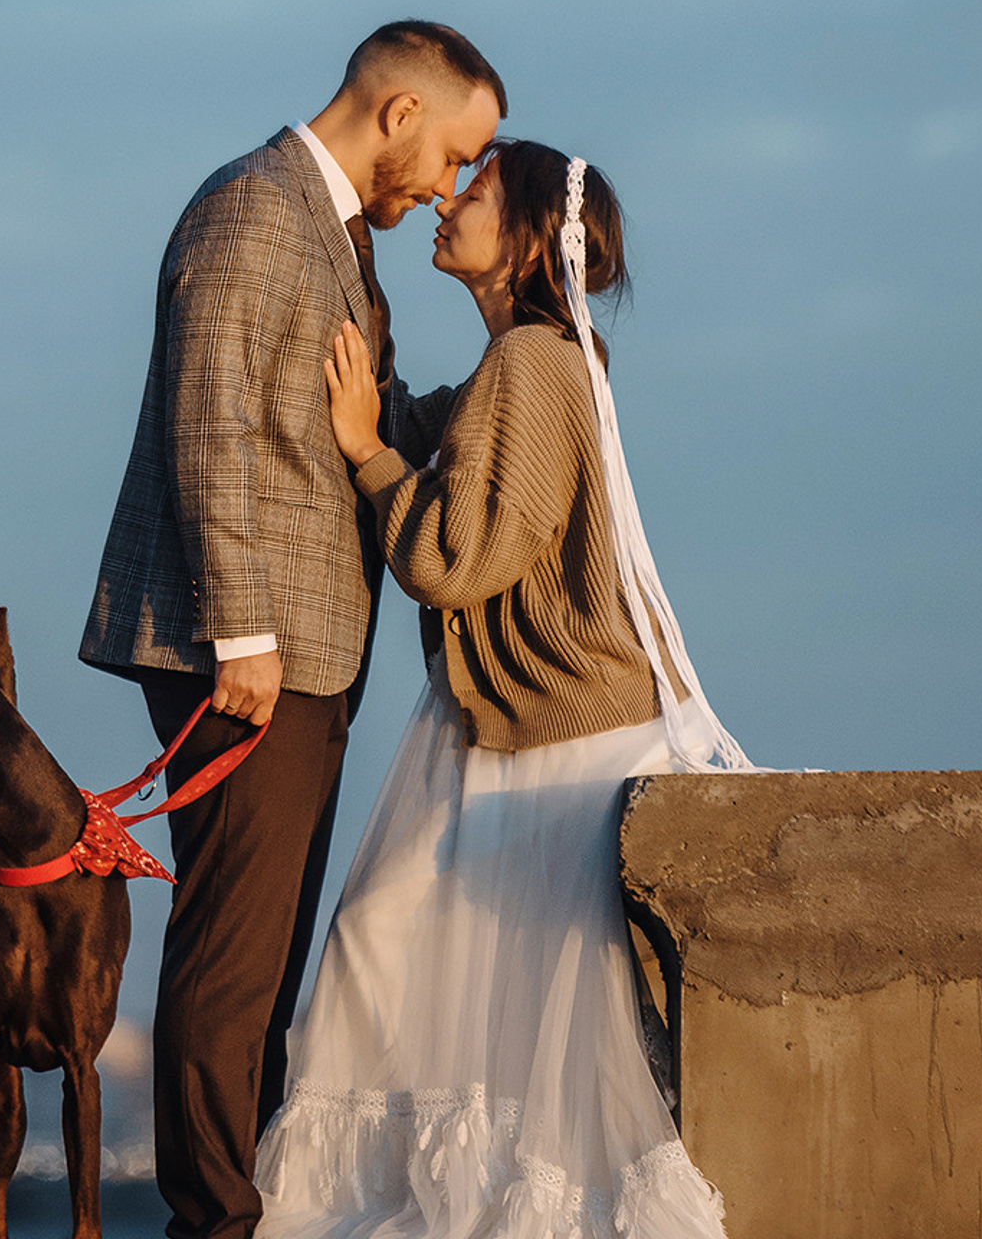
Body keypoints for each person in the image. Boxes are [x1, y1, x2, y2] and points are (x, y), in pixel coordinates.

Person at [253, 140, 753, 1239]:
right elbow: (462, 446)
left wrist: (360, 449)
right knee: (493, 1018)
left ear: (526, 238)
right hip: (542, 728)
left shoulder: (534, 362)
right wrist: (384, 414)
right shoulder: (534, 364)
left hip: (555, 737)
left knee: (380, 958)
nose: (444, 201)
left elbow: (455, 553)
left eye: (470, 192)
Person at [79, 21, 507, 1239]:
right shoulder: (251, 212)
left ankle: (238, 1208)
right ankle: (212, 1224)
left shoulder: (325, 235)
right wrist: (242, 637)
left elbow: (360, 422)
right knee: (229, 963)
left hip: (303, 660)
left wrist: (518, 358)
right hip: (252, 658)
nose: (446, 189)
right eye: (451, 157)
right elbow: (209, 425)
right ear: (400, 115)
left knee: (257, 968)